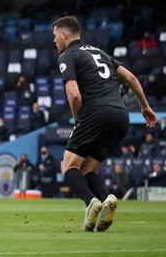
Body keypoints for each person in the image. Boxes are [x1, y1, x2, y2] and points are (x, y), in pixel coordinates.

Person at [52, 16, 156, 232]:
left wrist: (78, 119)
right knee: (88, 168)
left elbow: (74, 96)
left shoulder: (67, 56)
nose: (54, 42)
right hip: (121, 116)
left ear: (64, 34)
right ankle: (107, 198)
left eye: (55, 36)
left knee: (68, 166)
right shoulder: (100, 53)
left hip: (96, 113)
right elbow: (132, 78)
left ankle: (91, 203)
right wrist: (145, 107)